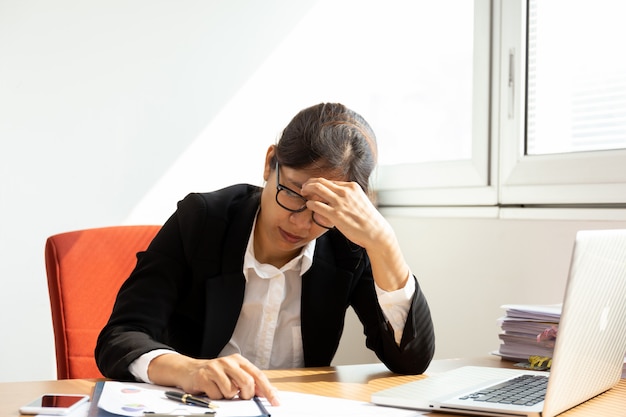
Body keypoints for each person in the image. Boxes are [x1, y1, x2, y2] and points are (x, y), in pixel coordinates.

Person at [95, 102, 435, 406]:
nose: (301, 222)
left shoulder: (349, 246)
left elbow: (410, 361)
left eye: (324, 210)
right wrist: (190, 369)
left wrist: (384, 243)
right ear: (270, 163)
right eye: (292, 193)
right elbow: (120, 336)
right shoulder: (201, 220)